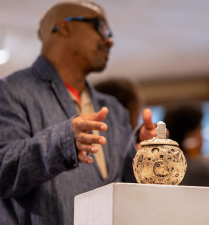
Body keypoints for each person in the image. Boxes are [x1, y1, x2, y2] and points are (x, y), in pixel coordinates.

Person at [0, 1, 155, 225]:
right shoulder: (10, 91)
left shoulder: (113, 110)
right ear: (64, 27)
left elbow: (121, 187)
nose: (109, 40)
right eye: (101, 27)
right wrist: (63, 143)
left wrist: (141, 155)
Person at [163, 101, 209, 187]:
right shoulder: (205, 170)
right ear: (190, 135)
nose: (202, 137)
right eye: (200, 130)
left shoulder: (161, 168)